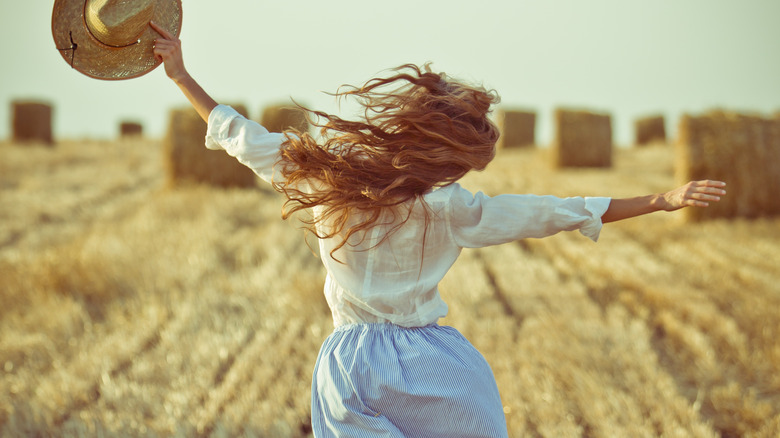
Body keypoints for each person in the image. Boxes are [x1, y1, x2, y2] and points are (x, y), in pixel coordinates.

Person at [150, 22, 726, 438]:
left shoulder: (328, 177)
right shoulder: (451, 208)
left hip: (350, 370)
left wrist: (179, 74)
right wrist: (657, 199)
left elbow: (239, 135)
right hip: (437, 367)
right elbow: (552, 211)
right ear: (446, 160)